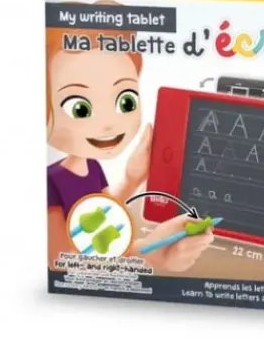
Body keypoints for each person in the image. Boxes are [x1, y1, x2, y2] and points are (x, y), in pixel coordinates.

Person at [46, 16, 212, 272]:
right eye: (80, 108)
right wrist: (147, 254)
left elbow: (105, 218)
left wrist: (132, 178)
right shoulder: (52, 181)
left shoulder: (93, 166)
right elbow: (61, 260)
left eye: (126, 102)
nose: (108, 124)